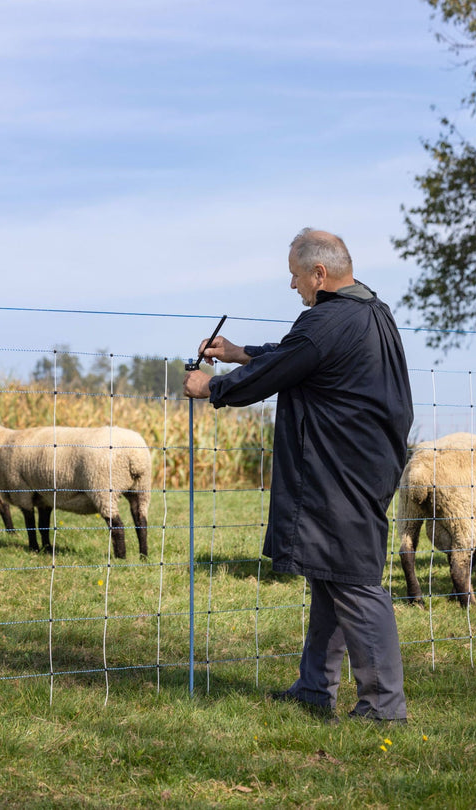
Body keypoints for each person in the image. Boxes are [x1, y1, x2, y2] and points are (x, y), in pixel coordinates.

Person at [183, 228, 413, 723]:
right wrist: (241, 352)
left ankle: (384, 706)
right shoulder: (369, 311)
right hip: (362, 463)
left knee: (355, 583)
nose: (293, 287)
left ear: (319, 273)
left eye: (294, 276)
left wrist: (212, 387)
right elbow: (297, 356)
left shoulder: (328, 320)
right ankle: (314, 688)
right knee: (330, 576)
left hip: (340, 468)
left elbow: (285, 366)